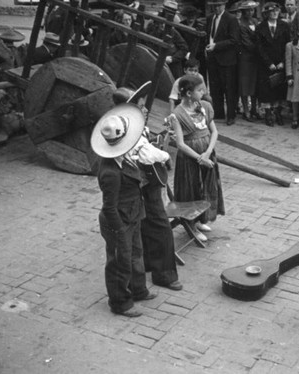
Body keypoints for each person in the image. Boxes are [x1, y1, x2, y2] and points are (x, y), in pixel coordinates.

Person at [112, 83, 183, 291]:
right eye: (141, 106)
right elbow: (145, 153)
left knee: (147, 223)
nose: (145, 109)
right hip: (140, 180)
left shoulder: (129, 124)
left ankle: (151, 264)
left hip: (139, 180)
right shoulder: (126, 128)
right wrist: (165, 154)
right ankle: (165, 274)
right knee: (160, 225)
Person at [91, 103, 157, 318]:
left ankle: (139, 289)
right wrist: (119, 231)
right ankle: (119, 302)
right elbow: (109, 207)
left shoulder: (122, 158)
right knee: (119, 262)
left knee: (137, 255)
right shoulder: (110, 172)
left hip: (133, 213)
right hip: (118, 221)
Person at [168, 75, 225, 242]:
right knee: (191, 189)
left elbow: (214, 131)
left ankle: (201, 219)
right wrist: (200, 158)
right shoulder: (177, 114)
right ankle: (190, 225)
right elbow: (180, 144)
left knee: (206, 187)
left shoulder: (205, 107)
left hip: (207, 155)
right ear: (187, 93)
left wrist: (207, 153)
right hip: (189, 160)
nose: (203, 93)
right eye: (199, 90)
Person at [206, 0, 241, 126]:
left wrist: (216, 46)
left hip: (227, 59)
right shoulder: (210, 18)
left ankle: (231, 115)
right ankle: (219, 112)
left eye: (218, 6)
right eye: (214, 6)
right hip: (213, 58)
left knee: (229, 88)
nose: (216, 8)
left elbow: (234, 40)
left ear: (224, 5)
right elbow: (209, 35)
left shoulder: (231, 19)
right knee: (215, 87)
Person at [256, 2, 291, 127]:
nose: (275, 13)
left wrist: (283, 61)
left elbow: (288, 45)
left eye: (276, 11)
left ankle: (278, 113)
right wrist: (268, 63)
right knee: (266, 90)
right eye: (271, 11)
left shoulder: (284, 26)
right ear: (266, 14)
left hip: (280, 63)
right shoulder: (260, 27)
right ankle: (268, 113)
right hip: (266, 64)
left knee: (279, 89)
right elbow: (259, 47)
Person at [237, 0, 261, 122]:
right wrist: (260, 49)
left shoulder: (256, 22)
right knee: (245, 85)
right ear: (243, 11)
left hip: (256, 59)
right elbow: (247, 43)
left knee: (255, 84)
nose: (250, 12)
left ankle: (254, 109)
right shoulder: (241, 24)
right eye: (247, 10)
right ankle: (246, 110)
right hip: (246, 58)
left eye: (252, 10)